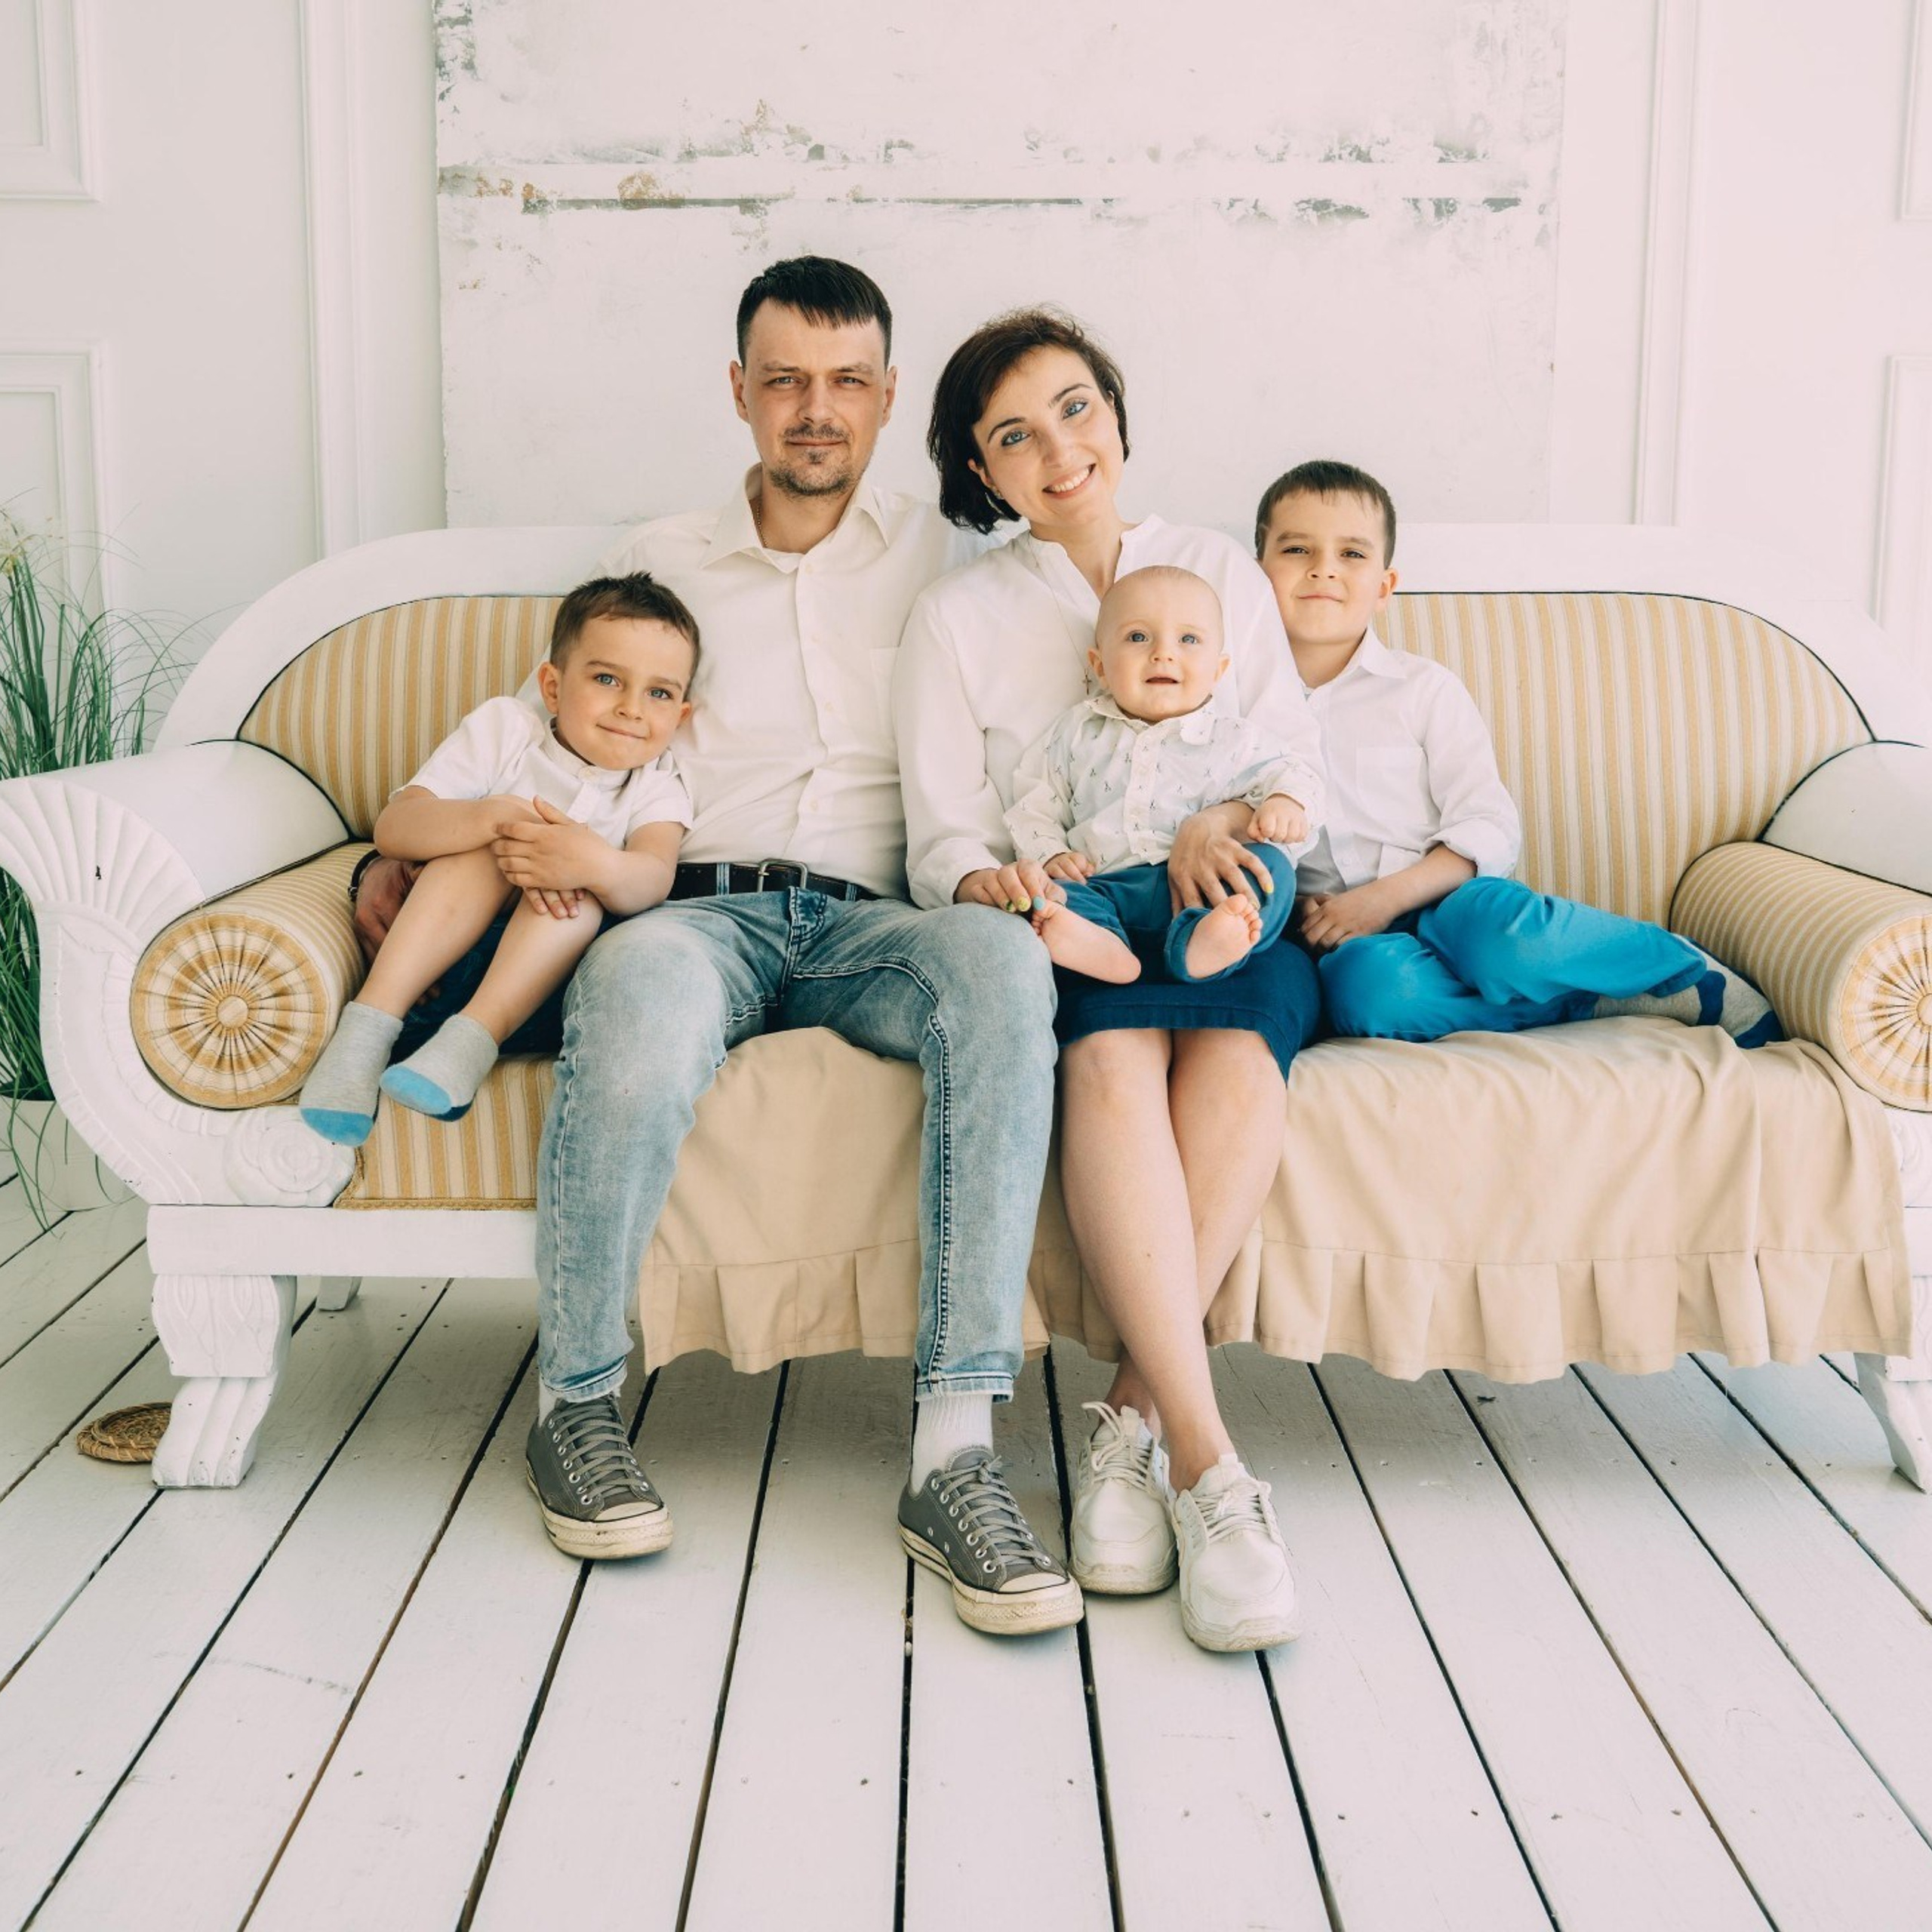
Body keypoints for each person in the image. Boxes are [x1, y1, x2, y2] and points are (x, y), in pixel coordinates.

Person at [352, 257, 1083, 1635]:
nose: (817, 409)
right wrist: (416, 851)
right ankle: (575, 1407)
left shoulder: (951, 561)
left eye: (848, 381)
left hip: (881, 915)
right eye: (787, 379)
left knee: (1001, 971)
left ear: (887, 397)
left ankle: (954, 1453)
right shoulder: (663, 559)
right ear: (739, 390)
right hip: (689, 908)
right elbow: (550, 740)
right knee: (635, 988)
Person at [897, 307, 1323, 1654]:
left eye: (1076, 409)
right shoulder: (957, 614)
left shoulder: (1217, 569)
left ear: (1118, 416)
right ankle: (1212, 1466)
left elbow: (1290, 757)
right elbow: (942, 834)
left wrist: (1223, 825)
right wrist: (1014, 884)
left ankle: (1137, 1424)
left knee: (1238, 1049)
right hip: (1078, 920)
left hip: (1227, 906)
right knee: (1111, 1056)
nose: (1059, 450)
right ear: (980, 471)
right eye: (1014, 435)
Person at [1255, 458, 1783, 1046]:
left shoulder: (1422, 689)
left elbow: (1488, 822)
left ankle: (1675, 966)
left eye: (1352, 553)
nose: (1324, 568)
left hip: (1451, 900)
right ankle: (1589, 1002)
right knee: (1367, 994)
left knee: (1507, 941)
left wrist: (1384, 897)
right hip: (1348, 933)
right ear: (1256, 577)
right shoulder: (1238, 709)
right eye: (1297, 549)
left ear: (1384, 587)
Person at [300, 574, 697, 1145]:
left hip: (537, 999)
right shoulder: (509, 731)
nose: (631, 709)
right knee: (482, 852)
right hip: (426, 969)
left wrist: (592, 864)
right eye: (607, 679)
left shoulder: (658, 785)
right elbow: (394, 828)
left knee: (580, 894)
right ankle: (365, 1034)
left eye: (659, 693)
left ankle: (467, 1048)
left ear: (680, 716)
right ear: (552, 687)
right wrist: (493, 819)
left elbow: (653, 878)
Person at [1004, 564, 1315, 986]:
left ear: (1218, 670)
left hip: (1203, 890)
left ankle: (1203, 947)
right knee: (1054, 895)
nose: (1163, 654)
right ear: (1099, 664)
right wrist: (1051, 855)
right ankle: (1103, 945)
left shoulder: (1236, 738)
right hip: (1104, 886)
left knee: (1272, 869)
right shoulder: (1077, 731)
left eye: (1188, 639)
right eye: (1138, 637)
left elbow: (1294, 772)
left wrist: (1285, 802)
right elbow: (1035, 802)